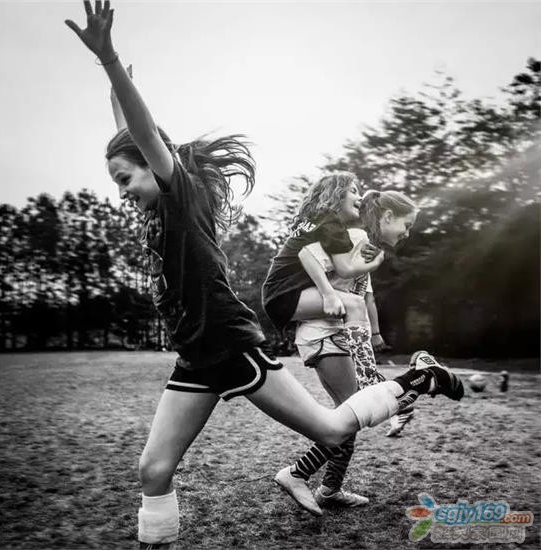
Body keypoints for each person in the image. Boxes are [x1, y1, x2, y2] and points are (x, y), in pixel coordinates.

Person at [65, 3, 464, 548]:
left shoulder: (181, 197)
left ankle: (421, 378)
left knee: (330, 428)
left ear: (154, 164)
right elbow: (131, 135)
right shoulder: (158, 204)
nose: (122, 191)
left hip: (229, 345)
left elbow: (141, 134)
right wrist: (113, 89)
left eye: (124, 178)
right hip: (196, 355)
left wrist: (110, 62)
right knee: (152, 470)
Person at [264, 189, 417, 514]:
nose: (407, 233)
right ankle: (297, 473)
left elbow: (361, 296)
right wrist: (329, 295)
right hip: (323, 335)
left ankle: (330, 489)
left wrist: (370, 334)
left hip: (339, 336)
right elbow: (308, 255)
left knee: (350, 416)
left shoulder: (366, 245)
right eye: (406, 225)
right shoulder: (352, 237)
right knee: (352, 415)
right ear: (388, 216)